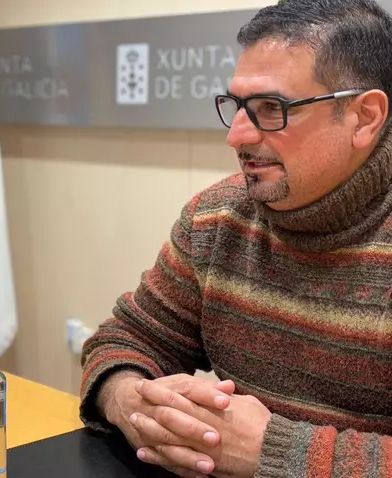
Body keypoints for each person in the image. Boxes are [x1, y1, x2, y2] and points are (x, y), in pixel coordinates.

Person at [79, 0, 392, 476]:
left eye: (271, 109)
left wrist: (271, 452)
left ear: (364, 118)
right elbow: (124, 340)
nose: (237, 136)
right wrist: (135, 405)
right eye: (238, 107)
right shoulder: (216, 217)